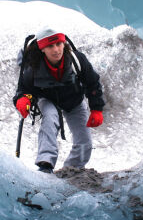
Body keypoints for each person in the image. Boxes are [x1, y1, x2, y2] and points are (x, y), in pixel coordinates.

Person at [13, 28, 105, 173]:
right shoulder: (33, 66)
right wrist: (23, 99)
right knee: (50, 118)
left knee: (85, 140)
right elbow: (24, 88)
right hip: (48, 100)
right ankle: (45, 164)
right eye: (50, 46)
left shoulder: (77, 59)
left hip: (74, 100)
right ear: (42, 48)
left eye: (59, 44)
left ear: (64, 43)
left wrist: (96, 109)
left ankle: (73, 169)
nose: (56, 49)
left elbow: (93, 83)